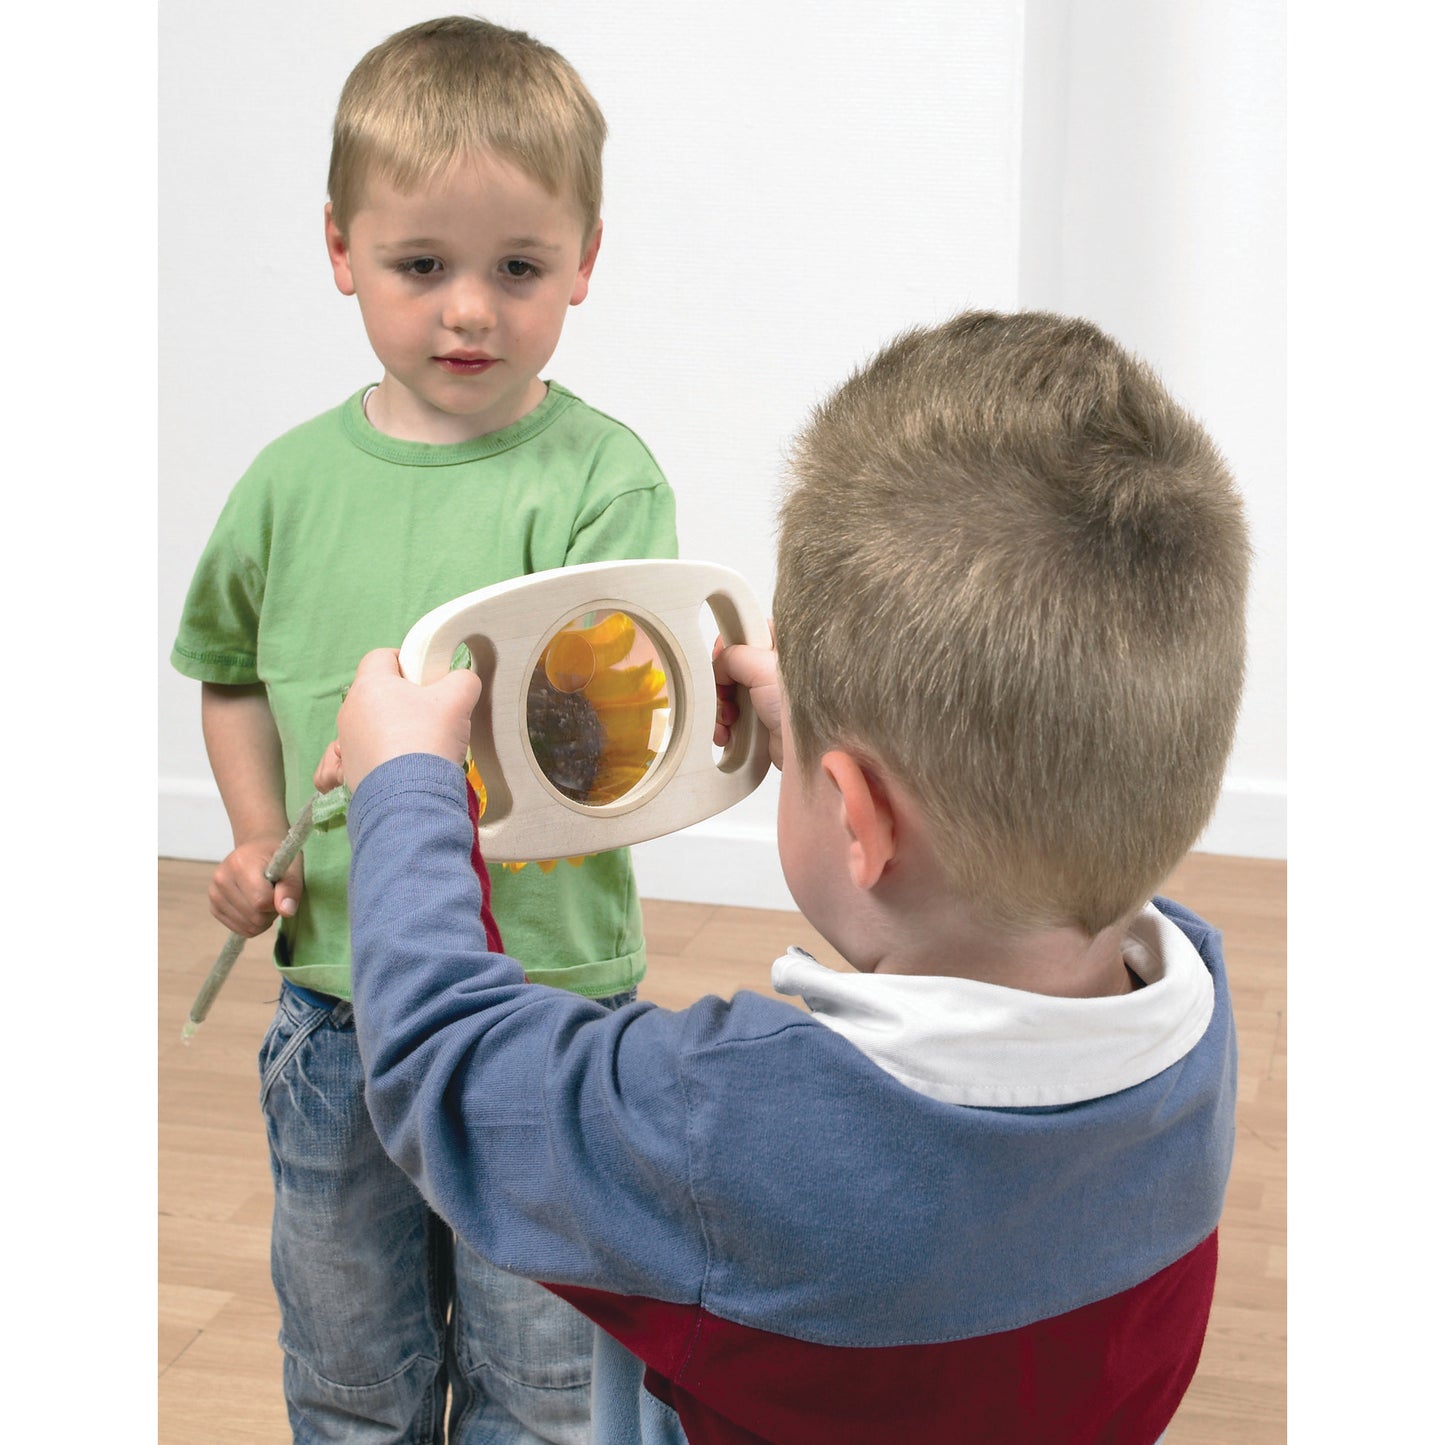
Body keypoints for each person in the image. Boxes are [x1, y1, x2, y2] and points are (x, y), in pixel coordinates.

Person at [320, 310, 1248, 1444]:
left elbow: (446, 1069)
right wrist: (835, 740)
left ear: (855, 817)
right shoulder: (1192, 1018)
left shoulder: (732, 1127)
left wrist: (404, 787)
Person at [170, 16, 677, 1443]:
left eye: (517, 270)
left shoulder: (602, 481)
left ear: (584, 261)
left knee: (547, 1382)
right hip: (340, 1006)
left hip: (545, 1010)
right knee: (351, 1375)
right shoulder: (284, 486)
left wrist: (426, 762)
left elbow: (615, 732)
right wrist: (257, 828)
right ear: (341, 249)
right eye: (420, 267)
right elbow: (221, 669)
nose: (469, 312)